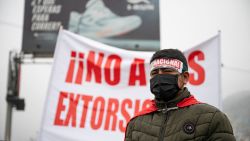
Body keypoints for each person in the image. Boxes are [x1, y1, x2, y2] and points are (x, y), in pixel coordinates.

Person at [124, 49, 235, 141]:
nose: (159, 77)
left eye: (167, 71)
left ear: (185, 77)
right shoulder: (135, 124)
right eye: (154, 73)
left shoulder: (212, 118)